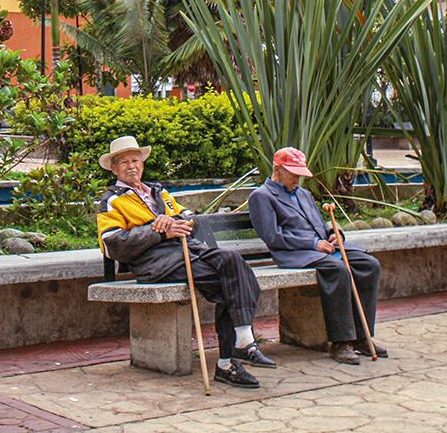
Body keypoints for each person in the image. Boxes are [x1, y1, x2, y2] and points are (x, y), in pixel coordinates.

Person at [95, 135, 271, 388]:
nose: (131, 165)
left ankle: (241, 341)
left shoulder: (159, 191)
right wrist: (157, 231)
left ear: (143, 163)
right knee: (232, 286)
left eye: (135, 160)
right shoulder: (112, 200)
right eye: (124, 162)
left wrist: (178, 222)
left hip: (190, 251)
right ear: (114, 168)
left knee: (233, 261)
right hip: (158, 262)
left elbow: (191, 218)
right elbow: (113, 244)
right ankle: (230, 360)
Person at [247, 146, 387, 364]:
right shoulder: (261, 196)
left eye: (300, 174)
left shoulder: (304, 194)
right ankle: (341, 342)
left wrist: (334, 233)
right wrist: (313, 243)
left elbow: (320, 226)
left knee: (369, 264)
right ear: (277, 169)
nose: (297, 178)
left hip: (321, 249)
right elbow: (273, 236)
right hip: (294, 253)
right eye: (293, 173)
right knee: (338, 270)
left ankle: (362, 336)